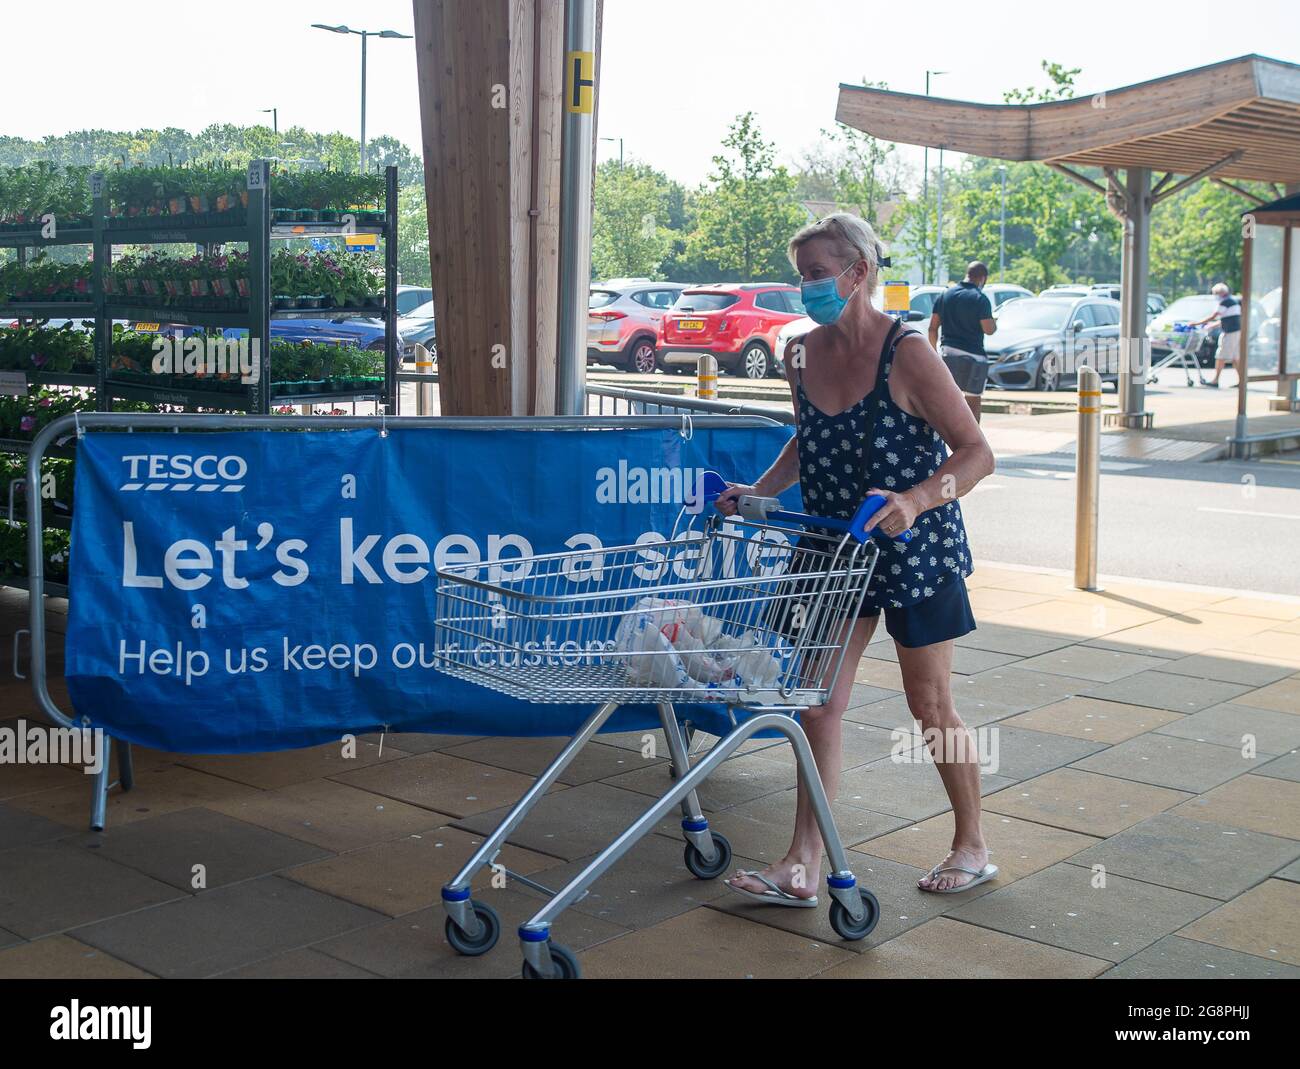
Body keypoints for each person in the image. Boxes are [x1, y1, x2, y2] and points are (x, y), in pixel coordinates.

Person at [715, 213, 998, 898]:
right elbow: (807, 438)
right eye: (802, 275)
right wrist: (759, 490)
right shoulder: (800, 353)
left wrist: (918, 499)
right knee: (817, 704)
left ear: (858, 272)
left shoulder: (907, 353)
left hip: (911, 546)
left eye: (817, 274)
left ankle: (972, 843)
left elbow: (978, 453)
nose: (806, 287)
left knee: (929, 703)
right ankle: (802, 862)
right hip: (833, 548)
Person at [928, 262, 998, 421]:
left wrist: (933, 355)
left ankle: (946, 438)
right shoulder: (980, 298)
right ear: (982, 278)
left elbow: (932, 328)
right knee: (973, 401)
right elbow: (989, 329)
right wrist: (993, 322)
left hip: (948, 354)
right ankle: (973, 441)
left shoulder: (945, 295)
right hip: (974, 357)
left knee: (946, 400)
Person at [1188, 282, 1241, 388]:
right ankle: (1241, 380)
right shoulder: (1232, 301)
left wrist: (1196, 323)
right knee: (1235, 358)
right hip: (1236, 332)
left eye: (1215, 293)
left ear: (1220, 293)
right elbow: (1227, 318)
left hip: (1230, 333)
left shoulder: (1225, 302)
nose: (1214, 296)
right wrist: (1213, 325)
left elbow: (1213, 316)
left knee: (1221, 356)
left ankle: (1215, 380)